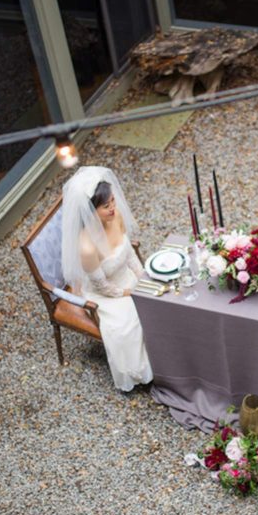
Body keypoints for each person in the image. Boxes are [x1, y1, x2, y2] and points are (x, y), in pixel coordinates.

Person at [61, 166, 153, 393]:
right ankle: (142, 374)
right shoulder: (87, 247)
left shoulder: (116, 216)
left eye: (113, 201)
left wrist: (143, 278)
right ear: (90, 211)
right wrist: (128, 293)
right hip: (108, 293)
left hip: (128, 277)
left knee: (158, 302)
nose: (113, 208)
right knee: (129, 325)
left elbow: (129, 252)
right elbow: (101, 286)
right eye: (106, 206)